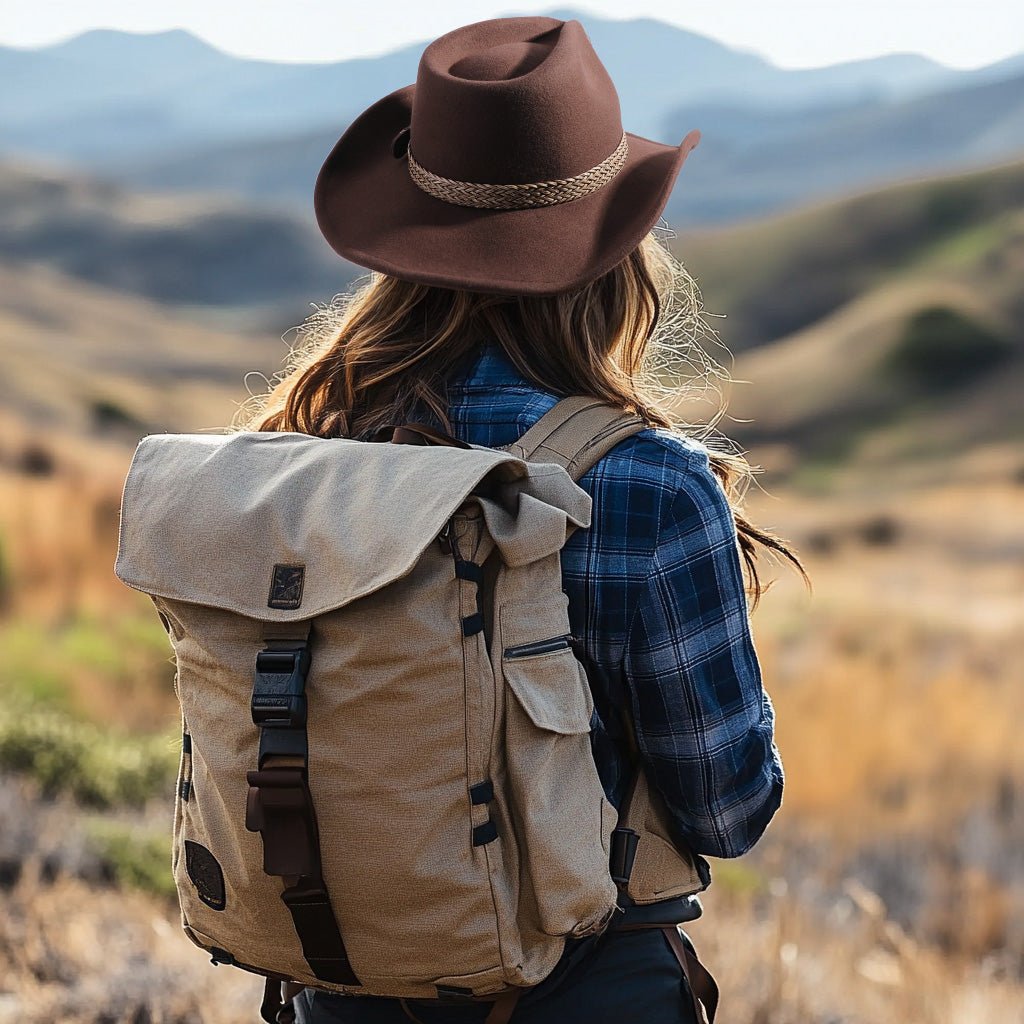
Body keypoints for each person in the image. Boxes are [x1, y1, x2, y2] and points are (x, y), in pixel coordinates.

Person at [239, 14, 805, 1023]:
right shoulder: (649, 487)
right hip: (585, 990)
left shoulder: (297, 460)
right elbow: (728, 810)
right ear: (617, 257)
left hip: (341, 982)